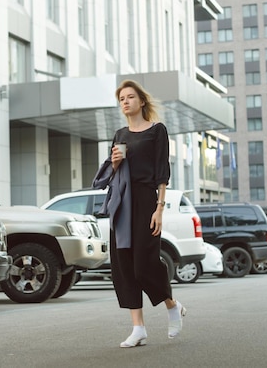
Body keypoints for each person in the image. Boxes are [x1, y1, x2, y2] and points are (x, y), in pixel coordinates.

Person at [92, 79, 185, 348]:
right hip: (121, 203)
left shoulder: (157, 131)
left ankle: (172, 307)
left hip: (145, 201)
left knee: (145, 264)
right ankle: (138, 327)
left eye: (130, 97)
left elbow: (162, 172)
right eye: (122, 98)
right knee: (124, 266)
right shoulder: (120, 134)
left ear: (141, 101)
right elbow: (110, 173)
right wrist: (114, 162)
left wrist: (160, 208)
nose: (125, 102)